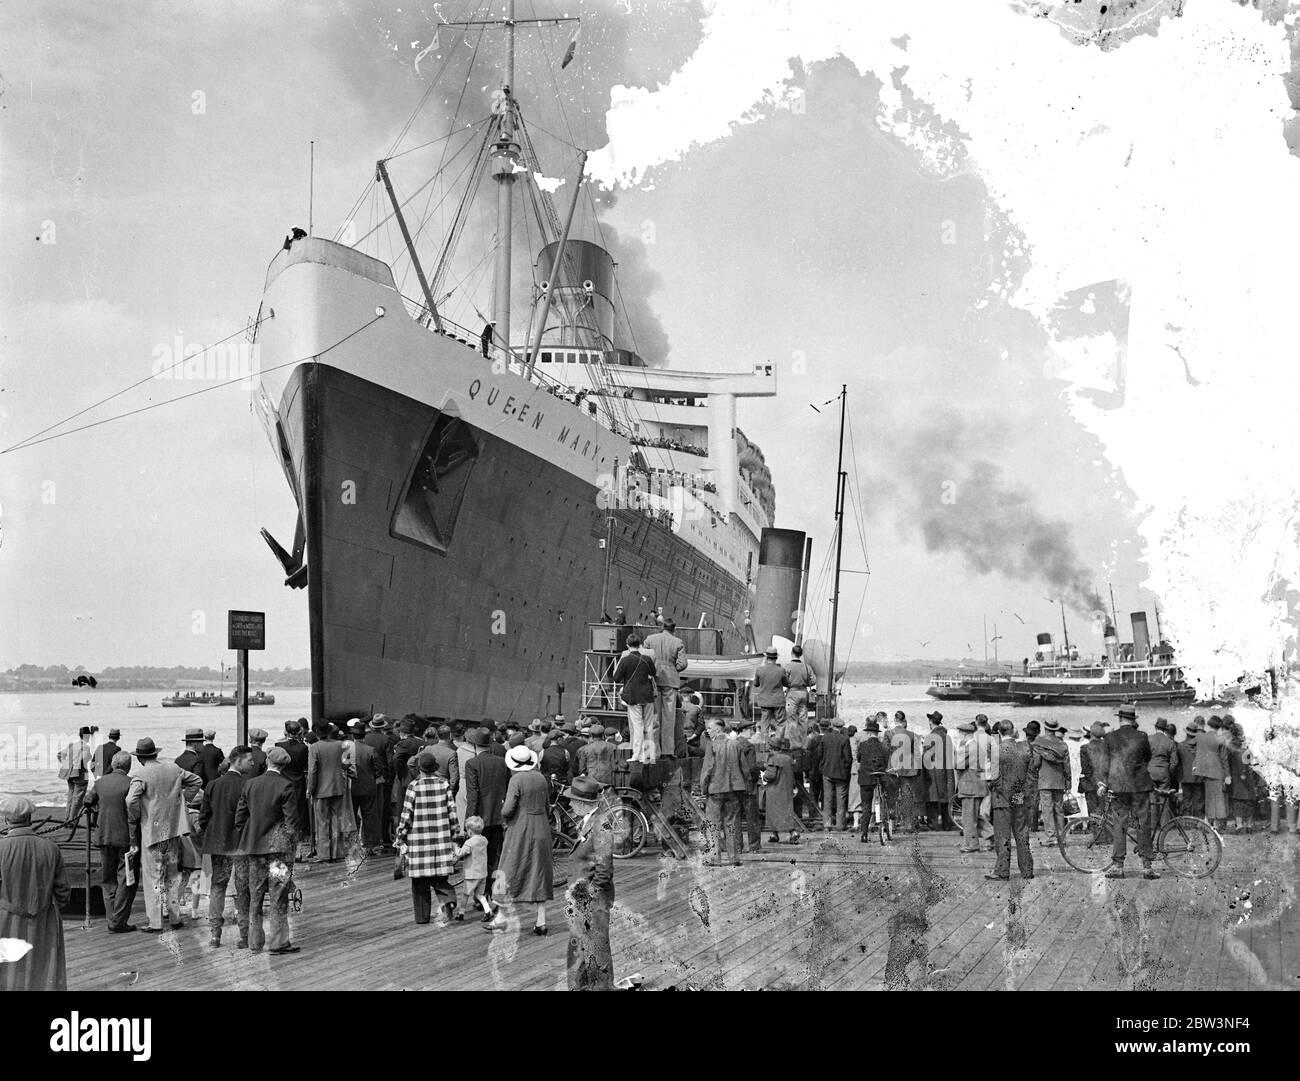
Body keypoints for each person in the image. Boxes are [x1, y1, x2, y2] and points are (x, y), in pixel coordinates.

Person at [125, 737, 202, 932]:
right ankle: (175, 918)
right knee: (172, 876)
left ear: (140, 758)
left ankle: (156, 922)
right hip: (174, 830)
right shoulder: (173, 769)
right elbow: (197, 781)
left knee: (153, 878)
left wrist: (139, 815)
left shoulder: (140, 774)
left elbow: (130, 800)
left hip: (152, 832)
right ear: (155, 753)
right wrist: (181, 803)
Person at [236, 745, 302, 953]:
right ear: (284, 766)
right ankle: (278, 942)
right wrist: (292, 846)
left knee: (255, 894)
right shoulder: (286, 786)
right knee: (279, 893)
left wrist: (250, 835)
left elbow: (240, 818)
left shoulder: (250, 784)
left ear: (267, 762)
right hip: (279, 852)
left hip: (255, 849)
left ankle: (254, 942)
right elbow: (291, 823)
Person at [0, 797, 70, 990]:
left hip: (6, 919)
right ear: (30, 818)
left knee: (10, 973)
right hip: (44, 919)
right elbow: (63, 892)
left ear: (6, 820)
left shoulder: (1, 848)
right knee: (43, 969)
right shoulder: (50, 848)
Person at [489, 746, 554, 936]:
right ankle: (541, 921)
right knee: (539, 871)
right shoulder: (540, 777)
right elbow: (547, 806)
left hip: (521, 828)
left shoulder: (516, 779)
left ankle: (501, 918)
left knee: (507, 870)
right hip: (541, 827)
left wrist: (502, 810)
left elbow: (508, 809)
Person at [396, 751, 462, 927]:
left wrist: (400, 835)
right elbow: (452, 812)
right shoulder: (444, 784)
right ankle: (448, 902)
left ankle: (422, 917)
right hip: (441, 838)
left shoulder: (414, 786)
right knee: (440, 877)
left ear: (420, 768)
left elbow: (406, 814)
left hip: (419, 840)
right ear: (435, 768)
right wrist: (456, 835)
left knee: (419, 882)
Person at [563, 778, 616, 990]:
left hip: (592, 897)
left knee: (595, 946)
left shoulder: (600, 823)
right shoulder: (589, 821)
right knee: (581, 943)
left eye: (572, 801)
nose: (569, 805)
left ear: (584, 803)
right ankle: (579, 987)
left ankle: (602, 988)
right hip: (582, 895)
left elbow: (604, 868)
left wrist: (590, 894)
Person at [1095, 705, 1158, 880]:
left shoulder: (1109, 737)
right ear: (1134, 719)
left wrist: (1103, 783)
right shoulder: (1142, 736)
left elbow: (1104, 764)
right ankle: (1146, 867)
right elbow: (1147, 757)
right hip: (1140, 786)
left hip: (1118, 787)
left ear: (1119, 718)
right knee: (1143, 824)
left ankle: (1118, 866)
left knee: (1119, 825)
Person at [200, 745, 252, 949]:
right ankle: (244, 934)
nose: (253, 763)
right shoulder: (247, 785)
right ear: (237, 761)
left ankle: (215, 934)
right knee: (242, 889)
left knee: (218, 886)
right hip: (240, 844)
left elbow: (204, 817)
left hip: (218, 843)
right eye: (249, 759)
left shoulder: (212, 785)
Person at [84, 751, 139, 933]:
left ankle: (111, 918)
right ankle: (118, 921)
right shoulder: (131, 782)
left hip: (103, 835)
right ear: (128, 766)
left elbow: (88, 800)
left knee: (108, 878)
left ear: (114, 765)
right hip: (125, 837)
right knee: (126, 878)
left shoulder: (100, 782)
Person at [463, 728, 510, 908]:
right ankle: (495, 894)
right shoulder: (502, 762)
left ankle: (479, 897)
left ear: (474, 745)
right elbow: (505, 788)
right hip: (499, 816)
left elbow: (473, 794)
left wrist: (469, 820)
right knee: (495, 858)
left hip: (480, 819)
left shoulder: (472, 763)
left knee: (478, 860)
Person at [986, 720, 1034, 881]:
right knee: (1021, 832)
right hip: (1019, 795)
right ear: (1013, 731)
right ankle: (1027, 870)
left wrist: (1000, 788)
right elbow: (1031, 774)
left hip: (1001, 797)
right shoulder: (1025, 748)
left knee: (1002, 834)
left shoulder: (996, 751)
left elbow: (993, 778)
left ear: (999, 732)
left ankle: (1002, 870)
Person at [700, 720, 748, 865]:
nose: (707, 731)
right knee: (731, 824)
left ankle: (715, 858)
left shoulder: (712, 746)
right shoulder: (735, 744)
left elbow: (707, 769)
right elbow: (744, 768)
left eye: (709, 728)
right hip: (733, 790)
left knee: (713, 824)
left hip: (715, 790)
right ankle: (734, 857)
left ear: (718, 730)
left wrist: (703, 788)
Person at [644, 618, 689, 758]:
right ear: (674, 629)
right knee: (669, 718)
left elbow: (644, 658)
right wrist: (672, 669)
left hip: (654, 680)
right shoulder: (678, 642)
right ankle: (667, 751)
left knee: (654, 717)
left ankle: (653, 752)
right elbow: (683, 663)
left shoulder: (650, 639)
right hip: (670, 681)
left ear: (661, 627)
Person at [613, 633, 659, 763]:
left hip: (633, 698)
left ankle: (637, 755)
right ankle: (650, 755)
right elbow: (653, 673)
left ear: (627, 645)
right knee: (649, 726)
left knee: (637, 727)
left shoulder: (625, 660)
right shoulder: (647, 658)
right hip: (648, 696)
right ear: (640, 645)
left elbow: (616, 678)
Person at [307, 722, 349, 862]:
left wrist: (310, 788)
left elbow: (312, 770)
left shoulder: (314, 747)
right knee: (337, 820)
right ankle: (338, 852)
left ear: (316, 733)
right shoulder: (340, 744)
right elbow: (345, 764)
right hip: (337, 786)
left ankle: (324, 854)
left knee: (322, 822)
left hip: (321, 789)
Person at [1031, 720, 1070, 845]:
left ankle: (1051, 837)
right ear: (1056, 729)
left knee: (1047, 809)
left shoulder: (1039, 742)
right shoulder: (1062, 744)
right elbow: (1067, 766)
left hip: (1044, 780)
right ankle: (1061, 836)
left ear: (1045, 728)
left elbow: (1036, 762)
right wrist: (1068, 783)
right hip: (1059, 780)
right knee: (1059, 809)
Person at [346, 722, 383, 852]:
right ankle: (371, 844)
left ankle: (352, 844)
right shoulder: (370, 749)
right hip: (368, 787)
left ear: (352, 735)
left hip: (352, 787)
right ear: (364, 735)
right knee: (369, 816)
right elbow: (378, 770)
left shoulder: (347, 750)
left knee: (351, 816)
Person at [275, 721, 311, 855]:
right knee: (299, 813)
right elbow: (305, 765)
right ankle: (299, 846)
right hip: (298, 782)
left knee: (283, 812)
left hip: (283, 780)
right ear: (299, 732)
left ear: (286, 732)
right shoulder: (303, 747)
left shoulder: (279, 745)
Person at [953, 721, 988, 853]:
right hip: (976, 785)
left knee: (968, 818)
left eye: (959, 734)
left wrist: (959, 749)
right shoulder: (976, 746)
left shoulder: (969, 747)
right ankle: (991, 836)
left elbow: (957, 764)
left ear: (964, 734)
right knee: (975, 816)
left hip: (970, 787)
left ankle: (972, 844)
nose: (958, 736)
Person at [1192, 714, 1231, 830]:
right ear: (1219, 727)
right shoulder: (1220, 739)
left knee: (1209, 797)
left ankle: (1208, 822)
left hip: (1205, 771)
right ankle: (1217, 824)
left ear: (1208, 725)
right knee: (1218, 797)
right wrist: (1228, 775)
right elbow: (1224, 759)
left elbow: (1197, 753)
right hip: (1217, 771)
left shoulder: (1200, 737)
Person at [890, 713, 926, 831]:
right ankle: (908, 824)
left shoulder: (889, 734)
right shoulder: (912, 735)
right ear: (904, 721)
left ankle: (892, 824)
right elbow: (917, 754)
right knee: (907, 796)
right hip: (908, 770)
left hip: (893, 770)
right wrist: (918, 769)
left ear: (895, 720)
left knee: (892, 796)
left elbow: (886, 752)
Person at [856, 719, 891, 841]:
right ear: (877, 733)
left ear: (869, 733)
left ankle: (864, 834)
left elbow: (859, 759)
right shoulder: (883, 746)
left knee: (866, 806)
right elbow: (886, 762)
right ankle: (885, 828)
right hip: (879, 777)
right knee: (883, 802)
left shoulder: (862, 745)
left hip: (865, 778)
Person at [454, 815, 494, 920]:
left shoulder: (469, 843)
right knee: (479, 894)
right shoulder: (484, 840)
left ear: (470, 832)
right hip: (482, 873)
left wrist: (455, 846)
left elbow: (460, 853)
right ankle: (488, 910)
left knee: (465, 894)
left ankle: (461, 913)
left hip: (472, 874)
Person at [57, 726, 95, 831]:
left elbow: (59, 755)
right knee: (77, 799)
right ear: (88, 736)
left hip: (69, 774)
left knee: (70, 796)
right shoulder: (85, 747)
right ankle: (71, 820)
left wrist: (67, 765)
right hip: (80, 775)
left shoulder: (72, 745)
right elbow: (85, 759)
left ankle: (67, 818)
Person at [763, 736, 800, 844]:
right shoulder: (788, 758)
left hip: (774, 789)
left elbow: (770, 775)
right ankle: (792, 833)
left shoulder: (773, 759)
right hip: (786, 789)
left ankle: (774, 834)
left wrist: (763, 775)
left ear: (771, 747)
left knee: (773, 812)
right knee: (786, 811)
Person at [923, 712, 956, 830]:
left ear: (931, 722)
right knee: (946, 797)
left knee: (932, 797)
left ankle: (934, 824)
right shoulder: (947, 737)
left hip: (933, 771)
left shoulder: (930, 737)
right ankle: (947, 824)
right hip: (947, 770)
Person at [751, 647, 789, 745]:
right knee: (780, 723)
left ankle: (765, 744)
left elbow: (756, 684)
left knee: (765, 723)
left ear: (766, 657)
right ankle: (778, 742)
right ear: (776, 658)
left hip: (765, 701)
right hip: (778, 701)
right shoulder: (781, 670)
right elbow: (786, 683)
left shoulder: (759, 670)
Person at [735, 718, 762, 853]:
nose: (752, 732)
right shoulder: (748, 746)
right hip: (748, 786)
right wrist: (756, 777)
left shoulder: (732, 744)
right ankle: (754, 846)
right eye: (750, 729)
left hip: (734, 787)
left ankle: (737, 846)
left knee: (736, 818)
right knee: (752, 817)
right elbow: (752, 767)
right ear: (744, 731)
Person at [782, 645, 815, 746]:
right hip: (804, 693)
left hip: (792, 693)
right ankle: (803, 743)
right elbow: (813, 680)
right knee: (803, 719)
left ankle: (794, 745)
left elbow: (784, 681)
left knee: (792, 719)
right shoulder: (806, 666)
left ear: (792, 653)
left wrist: (789, 684)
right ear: (801, 654)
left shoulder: (788, 666)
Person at [1226, 728, 1255, 833]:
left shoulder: (1230, 751)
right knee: (1249, 802)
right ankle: (1249, 825)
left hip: (1236, 780)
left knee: (1237, 802)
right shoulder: (1247, 751)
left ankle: (1239, 825)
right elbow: (1251, 765)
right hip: (1247, 780)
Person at [1078, 722, 1107, 817]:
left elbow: (1086, 770)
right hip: (1104, 785)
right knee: (1104, 814)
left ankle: (1095, 831)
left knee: (1093, 814)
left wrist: (1096, 782)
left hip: (1090, 785)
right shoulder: (1107, 748)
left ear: (1091, 734)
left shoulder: (1084, 748)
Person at [1148, 717, 1180, 792]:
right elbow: (1174, 762)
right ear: (1165, 729)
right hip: (1164, 772)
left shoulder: (1149, 739)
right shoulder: (1170, 742)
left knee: (1152, 795)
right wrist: (1169, 772)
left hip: (1150, 771)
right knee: (1164, 798)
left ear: (1155, 727)